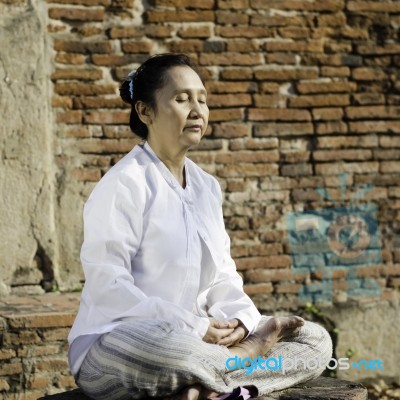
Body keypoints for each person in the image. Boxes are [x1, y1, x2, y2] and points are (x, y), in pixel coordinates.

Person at [68, 53, 332, 400]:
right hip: (120, 344)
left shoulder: (206, 187)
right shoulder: (124, 184)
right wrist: (196, 328)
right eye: (181, 99)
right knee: (176, 351)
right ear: (145, 112)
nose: (197, 110)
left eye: (202, 99)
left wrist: (239, 321)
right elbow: (108, 287)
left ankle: (206, 388)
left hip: (201, 339)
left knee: (315, 341)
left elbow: (223, 274)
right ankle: (239, 367)